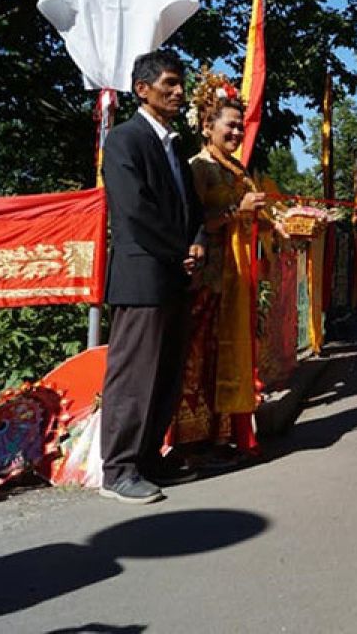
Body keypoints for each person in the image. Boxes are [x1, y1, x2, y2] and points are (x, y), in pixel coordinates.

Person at [99, 49, 204, 504]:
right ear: (142, 90)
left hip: (176, 274)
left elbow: (191, 208)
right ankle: (118, 469)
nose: (179, 92)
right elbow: (134, 210)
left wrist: (198, 241)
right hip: (143, 276)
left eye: (180, 84)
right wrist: (181, 249)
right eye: (169, 84)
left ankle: (149, 457)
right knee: (134, 374)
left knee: (165, 373)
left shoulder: (175, 147)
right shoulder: (124, 140)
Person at [172, 70, 277, 465]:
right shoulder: (199, 167)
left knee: (223, 359)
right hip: (207, 279)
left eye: (239, 127)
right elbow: (193, 222)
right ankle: (191, 441)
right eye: (230, 126)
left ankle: (220, 438)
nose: (237, 134)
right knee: (198, 363)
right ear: (206, 126)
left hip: (234, 281)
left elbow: (251, 217)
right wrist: (236, 211)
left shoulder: (236, 171)